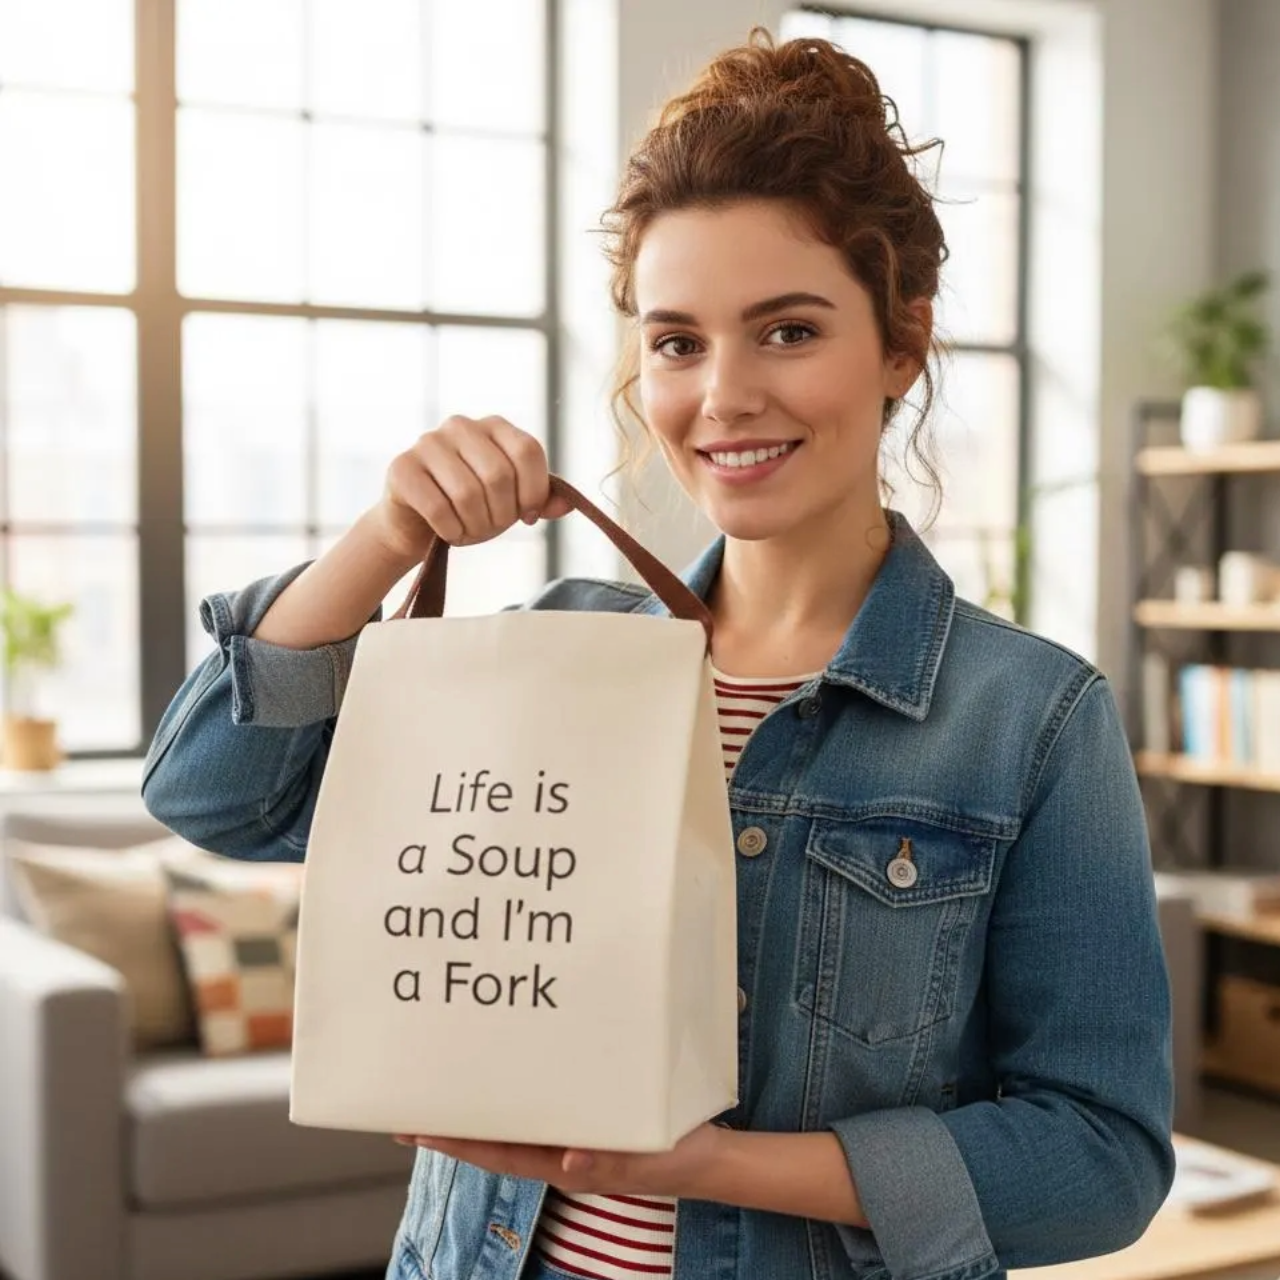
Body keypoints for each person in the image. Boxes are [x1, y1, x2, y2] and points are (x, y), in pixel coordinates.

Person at [143, 29, 1174, 1280]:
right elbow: (210, 791)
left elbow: (1100, 1158)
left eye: (786, 330)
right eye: (676, 341)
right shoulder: (545, 657)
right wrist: (384, 537)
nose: (720, 395)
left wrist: (704, 1163)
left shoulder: (1029, 718)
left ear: (902, 339)